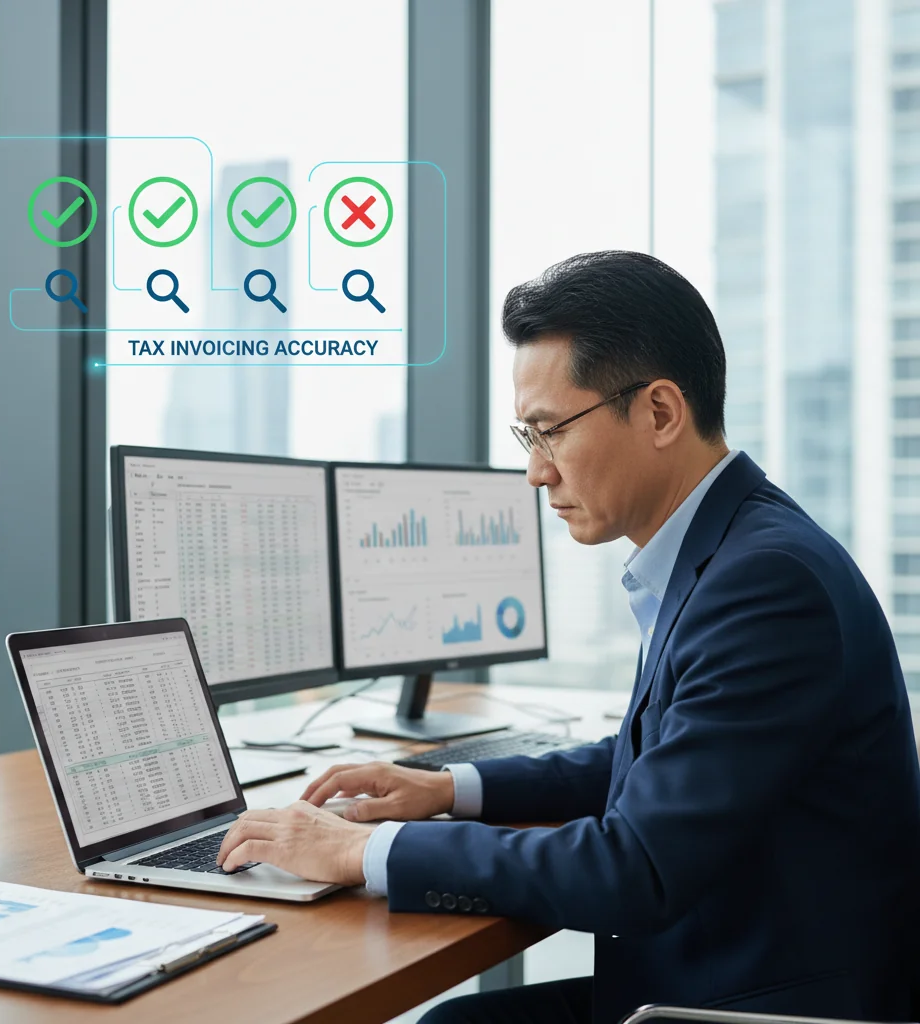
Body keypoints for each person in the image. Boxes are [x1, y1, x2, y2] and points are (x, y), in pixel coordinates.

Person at [217, 251, 920, 1024]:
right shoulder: (734, 548)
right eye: (528, 437)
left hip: (762, 1004)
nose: (536, 474)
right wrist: (451, 789)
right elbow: (655, 758)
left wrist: (358, 852)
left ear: (659, 412)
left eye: (549, 433)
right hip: (728, 970)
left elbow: (636, 867)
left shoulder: (765, 584)